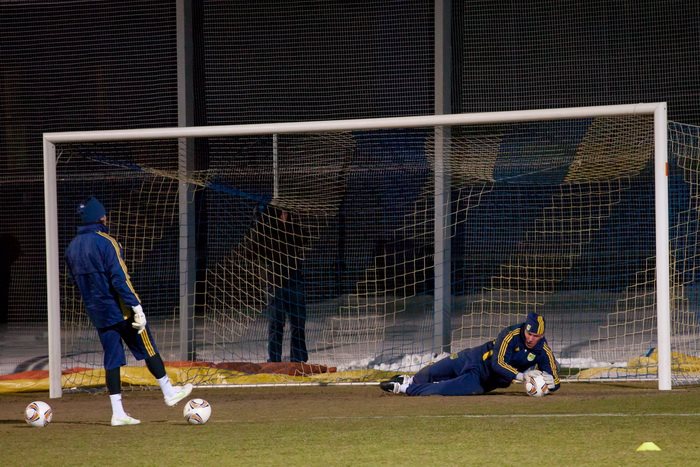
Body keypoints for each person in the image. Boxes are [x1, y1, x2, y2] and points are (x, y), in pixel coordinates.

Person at [65, 197, 193, 426]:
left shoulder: (71, 248)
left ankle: (118, 413)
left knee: (112, 360)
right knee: (147, 346)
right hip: (120, 309)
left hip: (98, 312)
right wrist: (136, 305)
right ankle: (169, 392)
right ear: (100, 217)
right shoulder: (106, 242)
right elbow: (120, 278)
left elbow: (75, 282)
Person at [380, 311, 560, 396]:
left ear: (542, 335)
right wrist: (522, 376)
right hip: (473, 357)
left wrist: (550, 385)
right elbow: (498, 363)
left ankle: (404, 389)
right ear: (525, 328)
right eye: (529, 334)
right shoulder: (510, 334)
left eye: (536, 336)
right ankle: (409, 380)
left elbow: (555, 380)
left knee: (443, 389)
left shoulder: (543, 351)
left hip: (480, 380)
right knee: (430, 372)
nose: (531, 338)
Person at [258, 206, 309, 363]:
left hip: (293, 279)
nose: (284, 215)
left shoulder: (293, 229)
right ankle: (274, 359)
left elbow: (303, 238)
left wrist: (291, 224)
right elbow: (256, 250)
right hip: (275, 281)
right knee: (276, 322)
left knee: (298, 322)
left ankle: (298, 358)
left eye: (286, 212)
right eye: (281, 213)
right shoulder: (267, 231)